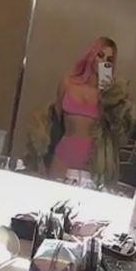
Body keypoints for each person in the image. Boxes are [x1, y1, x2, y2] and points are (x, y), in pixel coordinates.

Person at [49, 37, 129, 185]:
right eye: (100, 55)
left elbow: (114, 130)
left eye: (109, 60)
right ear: (92, 55)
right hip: (64, 154)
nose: (103, 61)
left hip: (92, 160)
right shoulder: (67, 83)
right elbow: (56, 121)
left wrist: (110, 92)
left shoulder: (108, 95)